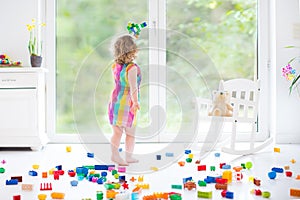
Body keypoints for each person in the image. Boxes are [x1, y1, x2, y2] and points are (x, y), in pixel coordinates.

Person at [108, 35, 141, 166]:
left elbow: (119, 83)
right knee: (130, 133)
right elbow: (133, 88)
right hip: (128, 104)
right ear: (132, 51)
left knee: (117, 132)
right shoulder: (132, 68)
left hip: (115, 101)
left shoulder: (115, 66)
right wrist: (136, 102)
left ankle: (116, 155)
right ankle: (127, 156)